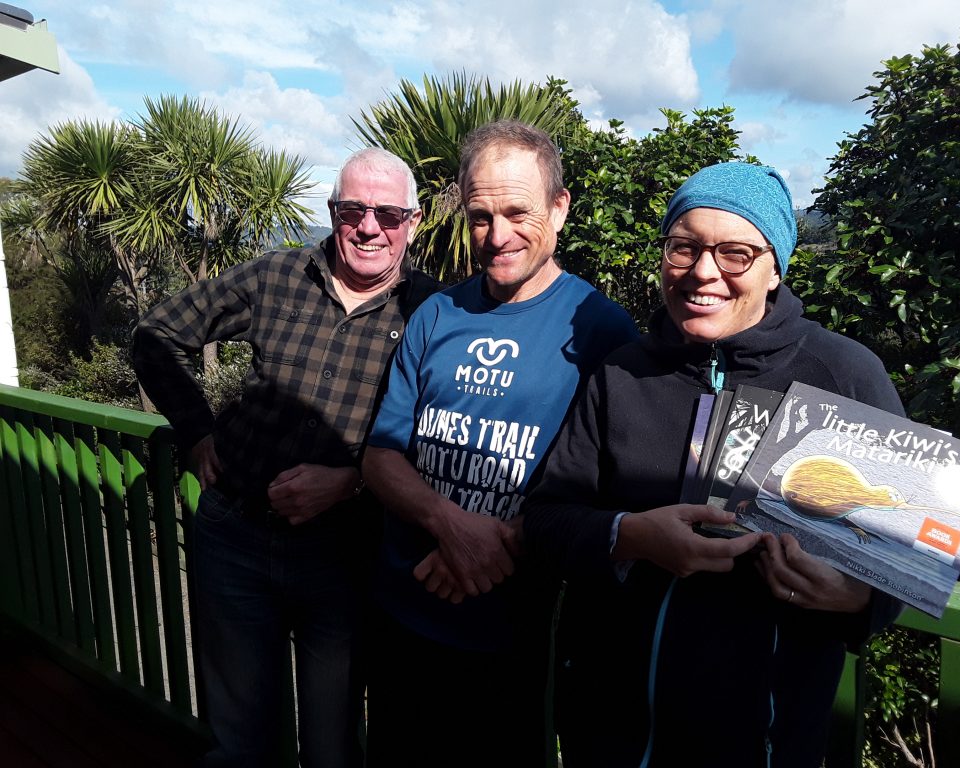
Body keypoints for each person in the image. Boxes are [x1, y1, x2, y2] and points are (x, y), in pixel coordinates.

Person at [523, 162, 904, 768]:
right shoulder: (620, 372)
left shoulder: (845, 376)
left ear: (775, 267)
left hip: (764, 741)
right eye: (684, 247)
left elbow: (902, 566)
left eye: (736, 254)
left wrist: (857, 599)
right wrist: (630, 536)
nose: (704, 272)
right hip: (611, 734)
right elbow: (544, 520)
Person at [132, 147, 440, 768]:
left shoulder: (435, 311)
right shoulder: (277, 276)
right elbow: (155, 334)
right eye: (353, 209)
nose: (369, 227)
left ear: (413, 220)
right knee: (241, 736)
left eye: (388, 213)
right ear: (332, 212)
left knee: (331, 745)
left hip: (346, 556)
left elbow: (447, 434)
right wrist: (196, 432)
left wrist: (354, 481)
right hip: (235, 538)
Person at [361, 120, 638, 768]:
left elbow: (606, 479)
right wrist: (449, 524)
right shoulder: (437, 315)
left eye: (518, 212)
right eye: (481, 215)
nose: (497, 235)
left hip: (516, 636)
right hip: (403, 617)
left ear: (560, 207)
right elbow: (380, 455)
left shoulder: (600, 328)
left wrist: (490, 547)